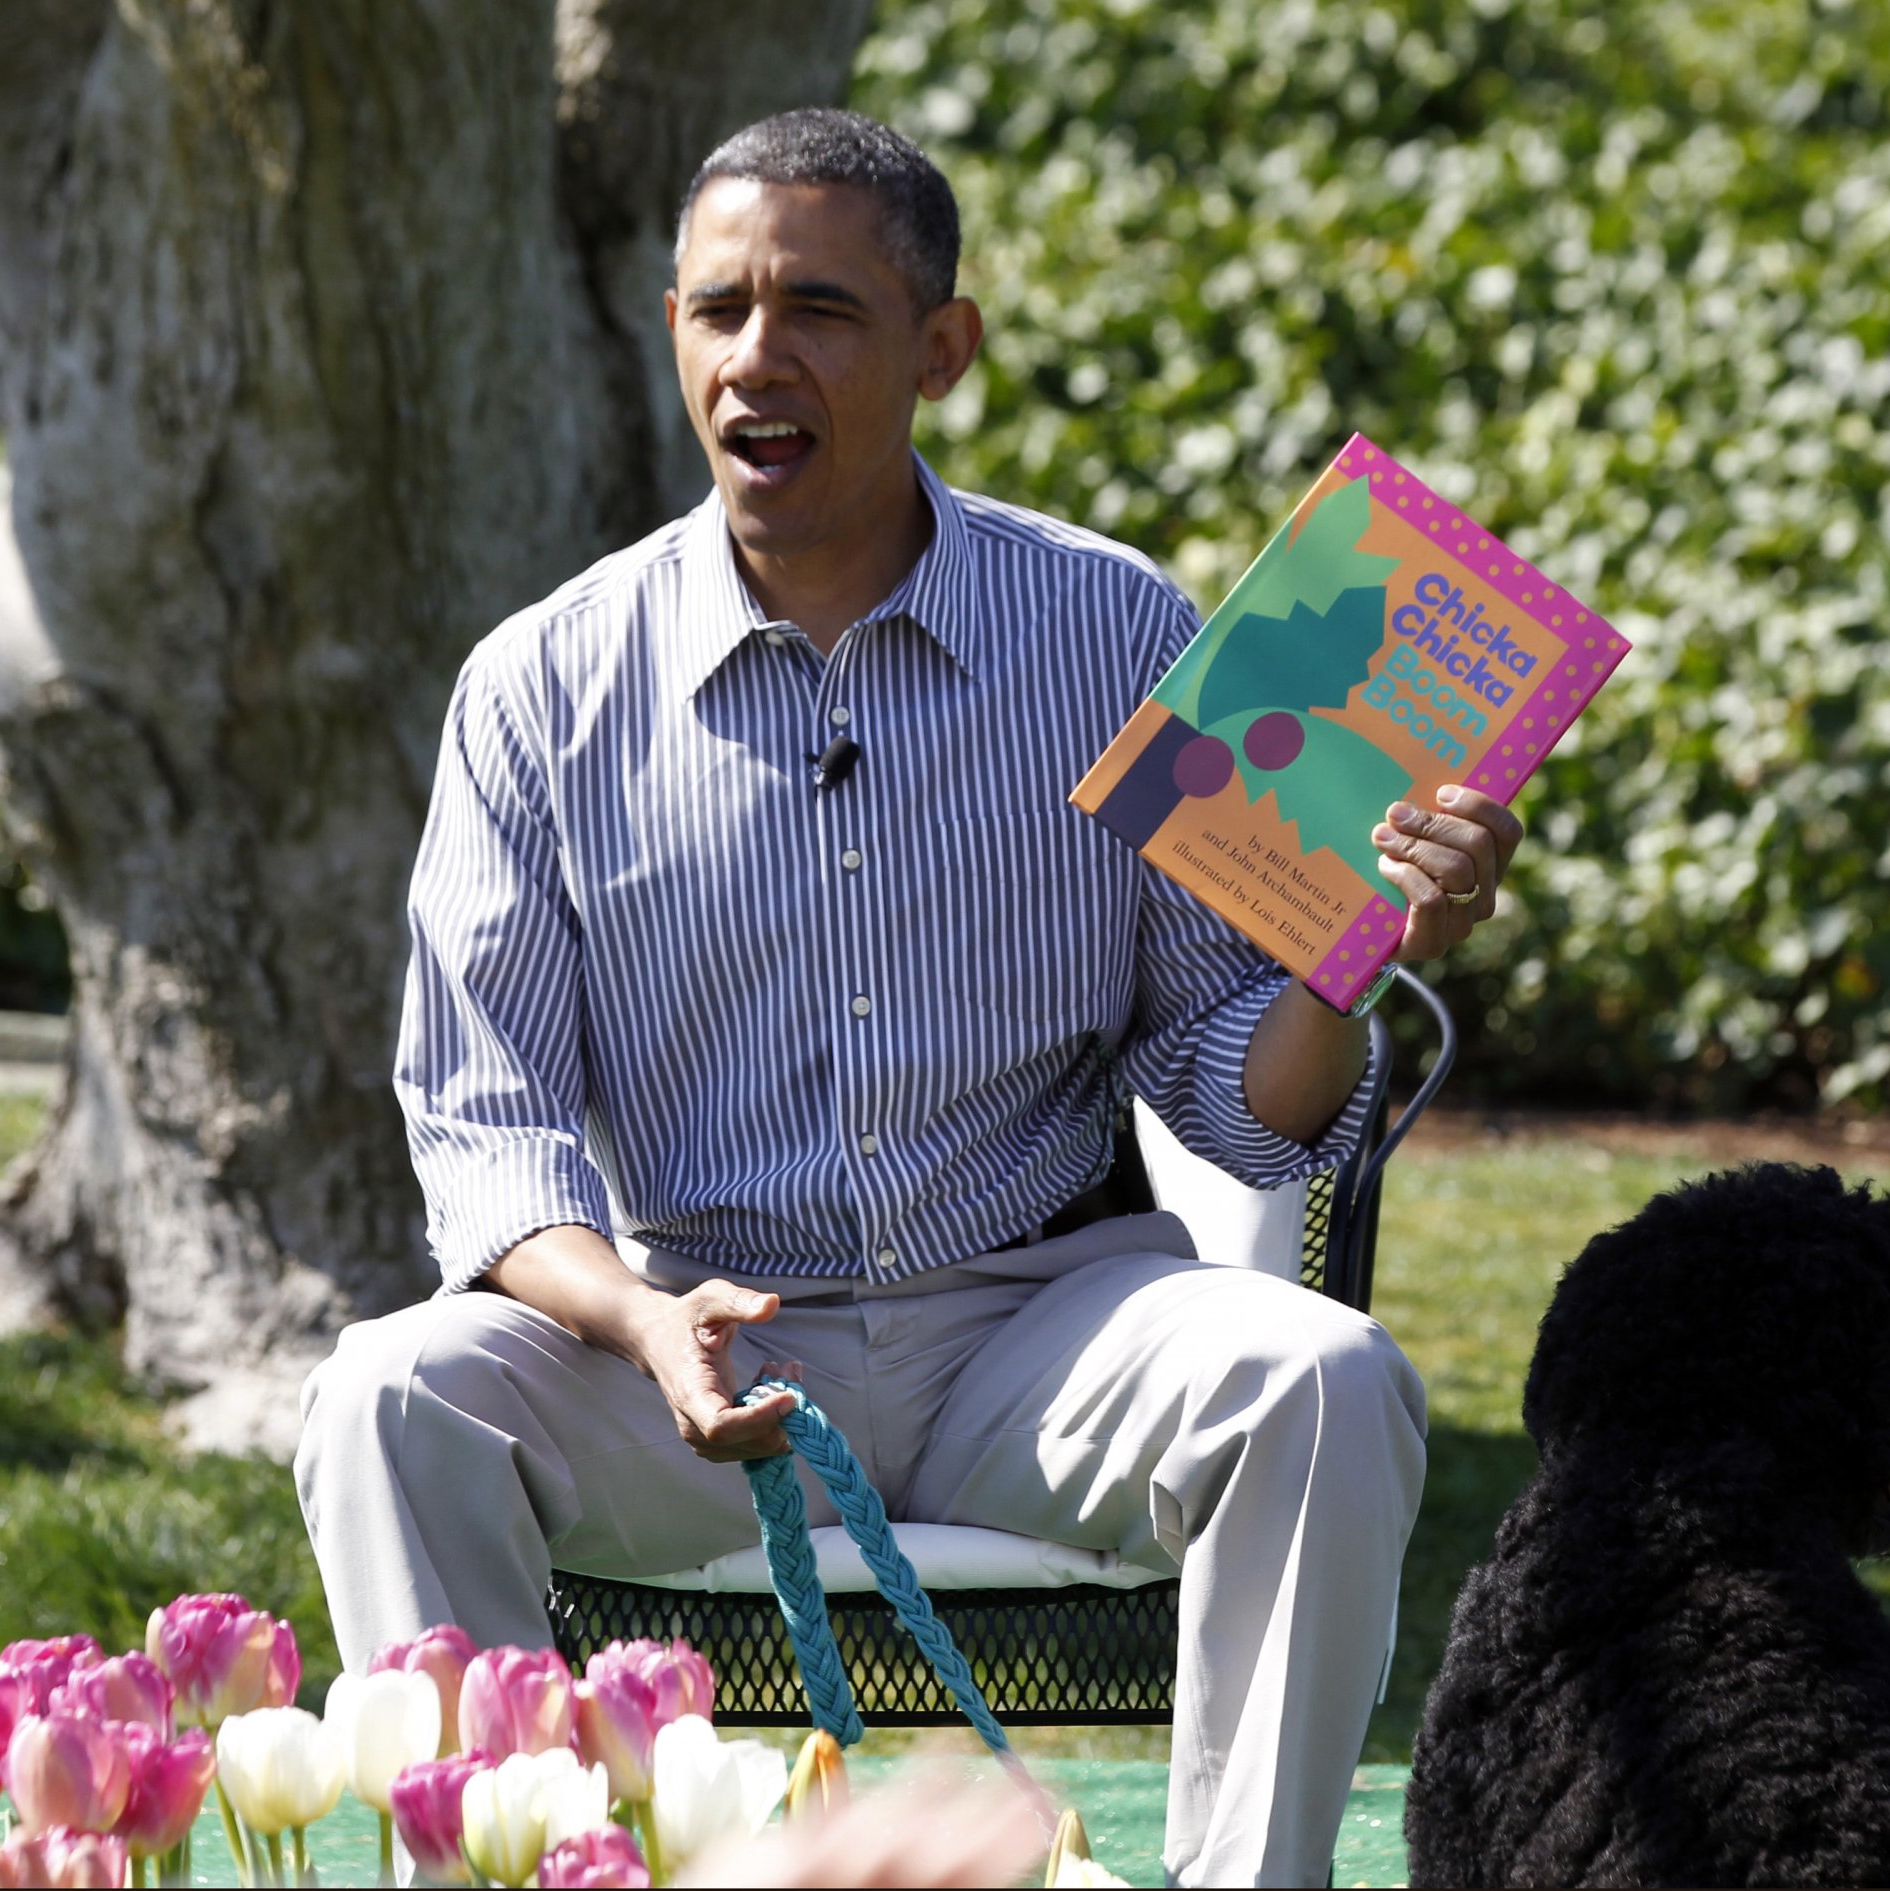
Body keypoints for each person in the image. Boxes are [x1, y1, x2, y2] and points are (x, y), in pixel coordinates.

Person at [294, 108, 1525, 1888]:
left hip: (1040, 1334)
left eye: (821, 309)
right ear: (671, 333)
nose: (757, 358)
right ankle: (507, 1870)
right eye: (719, 308)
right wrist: (643, 1321)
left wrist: (1357, 953)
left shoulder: (1112, 631)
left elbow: (1221, 1089)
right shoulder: (538, 685)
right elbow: (486, 1128)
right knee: (387, 1398)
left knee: (1326, 1375)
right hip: (685, 1358)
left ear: (943, 345)